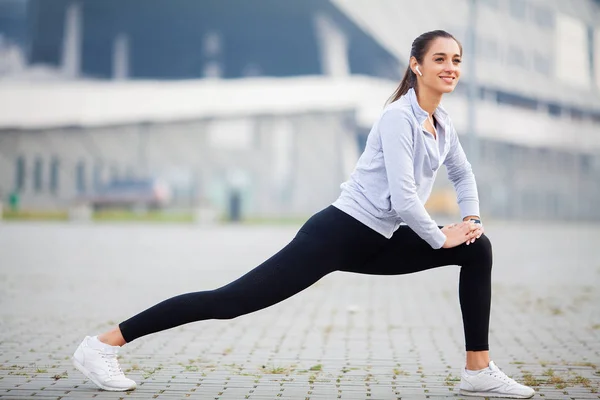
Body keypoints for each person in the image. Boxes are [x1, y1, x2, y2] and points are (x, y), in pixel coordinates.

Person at [72, 30, 535, 399]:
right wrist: (438, 238)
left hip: (382, 237)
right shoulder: (398, 117)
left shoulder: (443, 123)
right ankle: (102, 345)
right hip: (338, 233)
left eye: (456, 60)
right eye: (440, 59)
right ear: (416, 65)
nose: (450, 67)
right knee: (229, 302)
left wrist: (469, 222)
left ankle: (478, 370)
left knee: (478, 249)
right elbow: (401, 197)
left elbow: (462, 172)